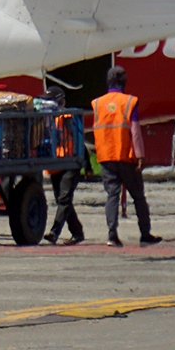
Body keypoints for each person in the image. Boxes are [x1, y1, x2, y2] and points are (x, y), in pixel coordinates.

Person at [92, 66, 159, 247]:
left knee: (112, 195)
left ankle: (112, 235)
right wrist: (140, 155)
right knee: (138, 196)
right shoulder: (129, 102)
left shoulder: (97, 103)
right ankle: (145, 234)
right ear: (124, 82)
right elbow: (135, 131)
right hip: (125, 156)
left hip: (105, 157)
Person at [41, 85, 85, 244]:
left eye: (49, 102)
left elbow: (79, 139)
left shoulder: (67, 117)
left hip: (69, 162)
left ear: (58, 102)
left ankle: (54, 232)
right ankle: (78, 233)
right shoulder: (46, 120)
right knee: (63, 200)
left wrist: (85, 164)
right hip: (55, 164)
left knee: (64, 200)